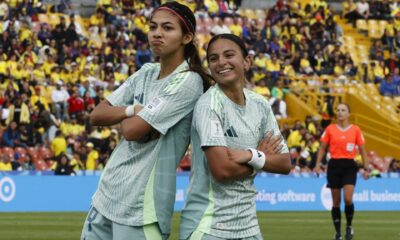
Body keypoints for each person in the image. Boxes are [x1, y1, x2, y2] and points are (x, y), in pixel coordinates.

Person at [80, 2, 211, 240]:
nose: (157, 33)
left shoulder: (189, 80)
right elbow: (97, 115)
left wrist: (125, 115)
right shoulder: (146, 71)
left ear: (187, 37)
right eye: (153, 27)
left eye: (168, 28)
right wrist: (133, 109)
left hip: (141, 206)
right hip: (107, 195)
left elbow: (130, 131)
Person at [180, 34, 291, 240]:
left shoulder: (261, 105)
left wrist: (250, 155)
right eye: (213, 58)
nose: (221, 62)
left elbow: (284, 163)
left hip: (249, 227)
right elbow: (222, 170)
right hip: (208, 227)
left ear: (247, 61)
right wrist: (260, 157)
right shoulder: (209, 105)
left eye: (229, 55)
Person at [314, 103, 370, 240]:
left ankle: (349, 226)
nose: (340, 112)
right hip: (334, 166)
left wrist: (366, 168)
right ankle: (338, 232)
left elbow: (362, 150)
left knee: (348, 199)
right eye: (338, 110)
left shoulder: (356, 130)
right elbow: (322, 148)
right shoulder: (330, 129)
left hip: (349, 165)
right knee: (336, 202)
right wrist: (317, 164)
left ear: (348, 114)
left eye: (343, 110)